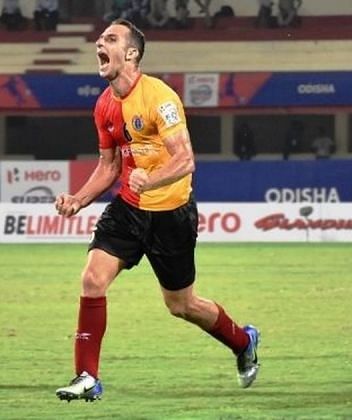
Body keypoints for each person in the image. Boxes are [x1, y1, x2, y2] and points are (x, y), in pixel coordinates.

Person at [53, 19, 261, 402]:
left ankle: (242, 340)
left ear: (131, 53)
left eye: (110, 39)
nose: (100, 43)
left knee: (181, 305)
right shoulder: (103, 106)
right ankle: (87, 377)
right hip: (129, 210)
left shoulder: (159, 97)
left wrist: (150, 179)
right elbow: (109, 167)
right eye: (100, 39)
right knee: (92, 280)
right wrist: (79, 199)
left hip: (171, 215)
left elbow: (185, 160)